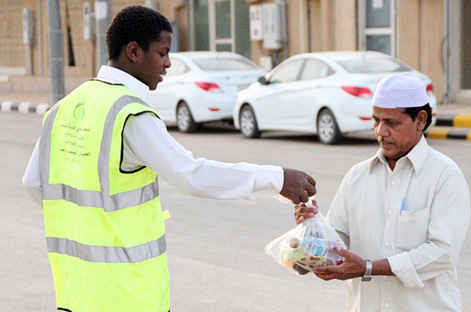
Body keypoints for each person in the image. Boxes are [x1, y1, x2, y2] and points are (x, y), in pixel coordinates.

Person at [22, 6, 316, 312]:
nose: (168, 63)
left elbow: (32, 183)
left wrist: (84, 225)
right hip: (128, 295)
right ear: (134, 51)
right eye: (162, 53)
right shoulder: (130, 115)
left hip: (75, 292)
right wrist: (276, 177)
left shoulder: (62, 109)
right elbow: (190, 175)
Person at [295, 73, 471, 312]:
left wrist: (369, 267)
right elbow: (335, 243)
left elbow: (442, 253)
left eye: (391, 122)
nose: (381, 131)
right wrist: (310, 231)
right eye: (376, 120)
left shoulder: (444, 175)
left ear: (420, 120)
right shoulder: (358, 176)